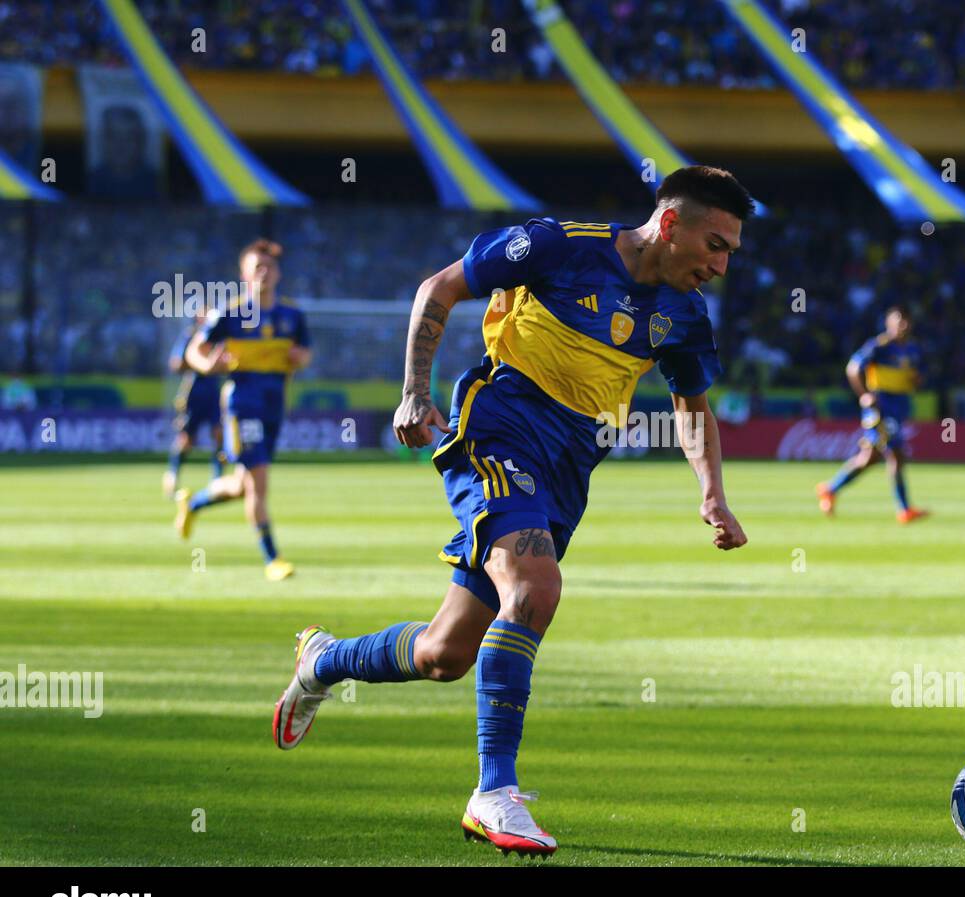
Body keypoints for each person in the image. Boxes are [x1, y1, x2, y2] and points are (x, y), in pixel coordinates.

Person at [272, 165, 752, 857]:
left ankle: (326, 659)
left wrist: (712, 492)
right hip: (499, 429)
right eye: (715, 244)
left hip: (567, 474)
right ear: (669, 223)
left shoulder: (682, 315)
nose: (721, 263)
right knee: (534, 588)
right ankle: (493, 792)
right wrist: (414, 391)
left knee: (446, 654)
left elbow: (691, 408)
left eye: (731, 251)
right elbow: (440, 288)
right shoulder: (559, 245)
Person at [176, 239, 311, 580]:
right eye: (257, 268)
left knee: (241, 486)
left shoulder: (292, 315)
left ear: (278, 273)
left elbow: (305, 353)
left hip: (274, 405)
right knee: (259, 482)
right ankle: (272, 559)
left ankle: (193, 503)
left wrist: (299, 359)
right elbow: (195, 350)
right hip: (242, 405)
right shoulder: (230, 312)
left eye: (269, 267)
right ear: (245, 275)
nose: (264, 273)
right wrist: (208, 365)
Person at [816, 306, 929, 523]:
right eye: (899, 321)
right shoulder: (879, 346)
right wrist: (865, 395)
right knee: (896, 453)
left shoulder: (912, 349)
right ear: (889, 324)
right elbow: (853, 368)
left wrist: (915, 381)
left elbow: (912, 376)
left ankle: (830, 489)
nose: (904, 325)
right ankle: (904, 509)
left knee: (869, 458)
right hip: (881, 407)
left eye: (906, 321)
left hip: (899, 406)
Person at [162, 312, 225, 499]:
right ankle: (172, 474)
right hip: (194, 393)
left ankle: (217, 480)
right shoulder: (191, 336)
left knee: (219, 435)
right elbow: (176, 364)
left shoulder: (220, 337)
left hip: (214, 394)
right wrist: (198, 360)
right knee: (187, 439)